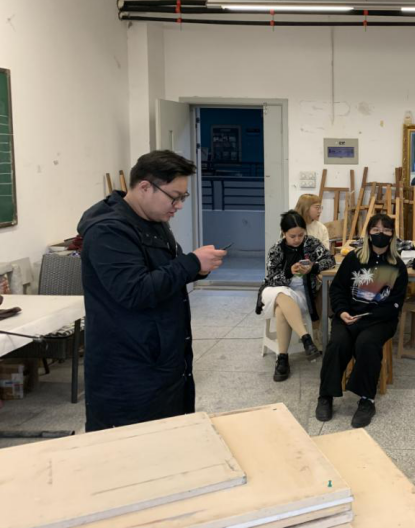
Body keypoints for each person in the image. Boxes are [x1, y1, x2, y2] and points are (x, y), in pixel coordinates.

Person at [78, 150, 227, 431]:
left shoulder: (154, 222)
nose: (178, 205)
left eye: (183, 197)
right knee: (136, 446)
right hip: (128, 371)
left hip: (162, 357)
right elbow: (134, 291)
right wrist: (191, 263)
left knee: (171, 435)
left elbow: (165, 271)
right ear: (145, 187)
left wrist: (198, 268)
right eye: (174, 197)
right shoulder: (108, 231)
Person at [315, 213, 408, 428]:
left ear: (392, 235)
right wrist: (341, 312)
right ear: (368, 233)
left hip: (379, 320)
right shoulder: (353, 259)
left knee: (366, 343)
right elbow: (338, 289)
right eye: (376, 230)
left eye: (386, 230)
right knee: (337, 344)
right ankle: (325, 395)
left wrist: (367, 318)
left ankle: (367, 400)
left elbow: (395, 303)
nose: (381, 234)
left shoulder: (398, 266)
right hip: (348, 316)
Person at [255, 210, 335, 382]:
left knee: (281, 310)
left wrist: (313, 267)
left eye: (301, 235)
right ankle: (306, 338)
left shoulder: (312, 243)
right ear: (284, 233)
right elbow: (271, 278)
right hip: (273, 291)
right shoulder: (276, 249)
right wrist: (289, 273)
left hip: (300, 293)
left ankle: (282, 358)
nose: (297, 239)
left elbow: (330, 260)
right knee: (281, 294)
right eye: (292, 236)